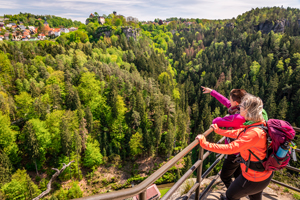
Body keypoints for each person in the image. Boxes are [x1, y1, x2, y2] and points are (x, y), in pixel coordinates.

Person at [196, 94, 273, 200]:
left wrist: (205, 144)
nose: (239, 107)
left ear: (247, 110)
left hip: (253, 178)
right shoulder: (258, 123)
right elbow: (239, 133)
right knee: (254, 197)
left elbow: (231, 148)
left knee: (230, 195)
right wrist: (219, 131)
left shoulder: (254, 132)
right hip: (261, 175)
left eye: (241, 106)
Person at [201, 86, 246, 188]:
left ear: (236, 103)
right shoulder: (241, 109)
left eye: (231, 99)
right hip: (241, 149)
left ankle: (232, 196)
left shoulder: (237, 117)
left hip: (234, 152)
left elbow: (215, 121)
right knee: (238, 174)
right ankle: (238, 193)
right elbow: (225, 101)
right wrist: (212, 91)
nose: (229, 101)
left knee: (224, 176)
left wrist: (225, 118)